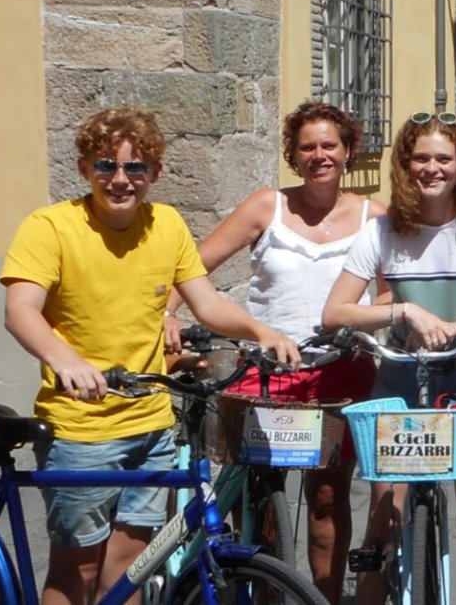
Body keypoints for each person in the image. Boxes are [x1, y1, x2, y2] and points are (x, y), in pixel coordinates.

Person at [1, 107, 300, 605]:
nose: (120, 180)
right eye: (106, 166)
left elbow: (204, 302)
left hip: (150, 424)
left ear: (154, 174)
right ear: (84, 170)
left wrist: (258, 329)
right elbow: (21, 310)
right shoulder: (50, 227)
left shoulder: (165, 224)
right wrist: (66, 360)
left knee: (129, 572)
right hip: (83, 429)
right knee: (78, 571)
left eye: (134, 168)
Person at [165, 101, 382, 602]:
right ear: (294, 155)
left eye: (330, 145)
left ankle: (320, 597)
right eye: (307, 146)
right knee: (260, 496)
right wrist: (169, 311)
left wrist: (364, 322)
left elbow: (390, 292)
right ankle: (261, 593)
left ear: (348, 152)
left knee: (328, 499)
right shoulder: (268, 207)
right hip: (267, 372)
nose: (319, 155)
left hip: (340, 372)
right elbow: (192, 265)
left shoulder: (376, 217)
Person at [322, 113, 456, 605]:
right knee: (382, 523)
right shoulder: (384, 232)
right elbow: (335, 311)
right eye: (421, 158)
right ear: (404, 164)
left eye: (444, 158)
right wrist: (404, 310)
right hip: (399, 378)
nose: (432, 168)